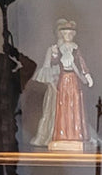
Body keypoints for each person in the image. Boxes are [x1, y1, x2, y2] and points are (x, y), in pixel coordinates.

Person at [31, 18, 94, 151]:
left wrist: (87, 76)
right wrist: (54, 54)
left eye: (69, 33)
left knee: (74, 103)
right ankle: (62, 133)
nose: (66, 36)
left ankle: (75, 132)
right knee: (61, 107)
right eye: (64, 33)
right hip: (60, 82)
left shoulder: (75, 49)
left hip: (72, 80)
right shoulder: (56, 49)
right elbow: (50, 65)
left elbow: (81, 63)